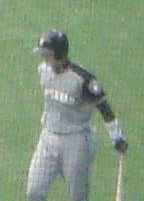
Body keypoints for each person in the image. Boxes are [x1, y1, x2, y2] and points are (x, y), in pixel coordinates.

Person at [27, 30, 127, 201]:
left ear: (58, 53)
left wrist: (116, 137)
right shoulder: (43, 71)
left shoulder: (83, 80)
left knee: (78, 196)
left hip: (76, 142)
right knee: (34, 192)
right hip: (47, 138)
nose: (44, 58)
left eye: (47, 54)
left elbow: (103, 107)